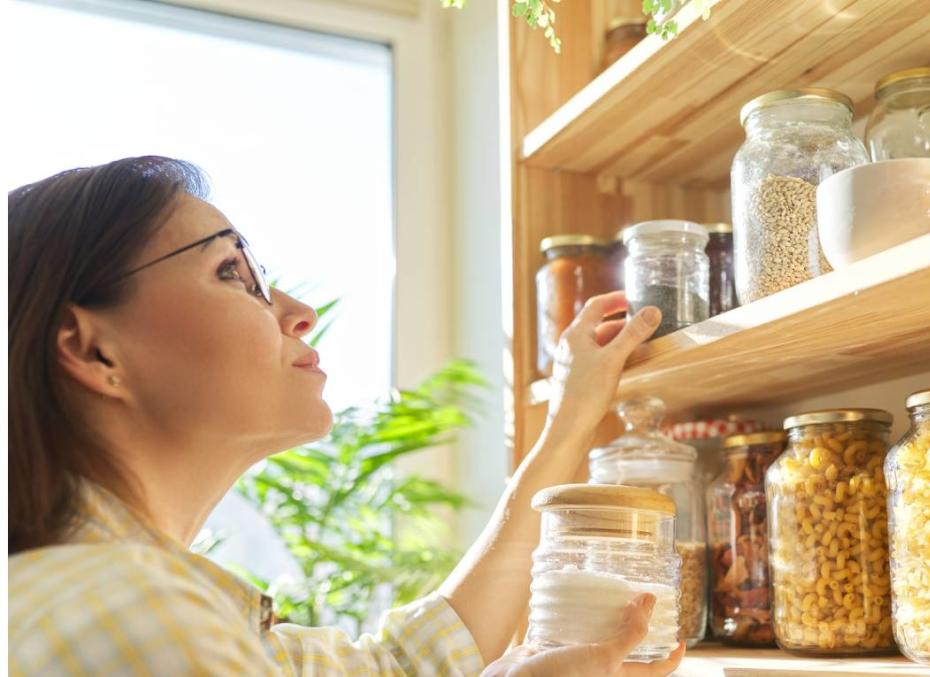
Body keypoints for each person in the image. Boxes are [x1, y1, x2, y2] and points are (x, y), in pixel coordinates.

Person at [8, 156, 686, 676]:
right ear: (93, 349)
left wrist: (571, 413)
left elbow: (402, 665)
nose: (296, 309)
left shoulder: (153, 608)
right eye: (232, 273)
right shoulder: (126, 612)